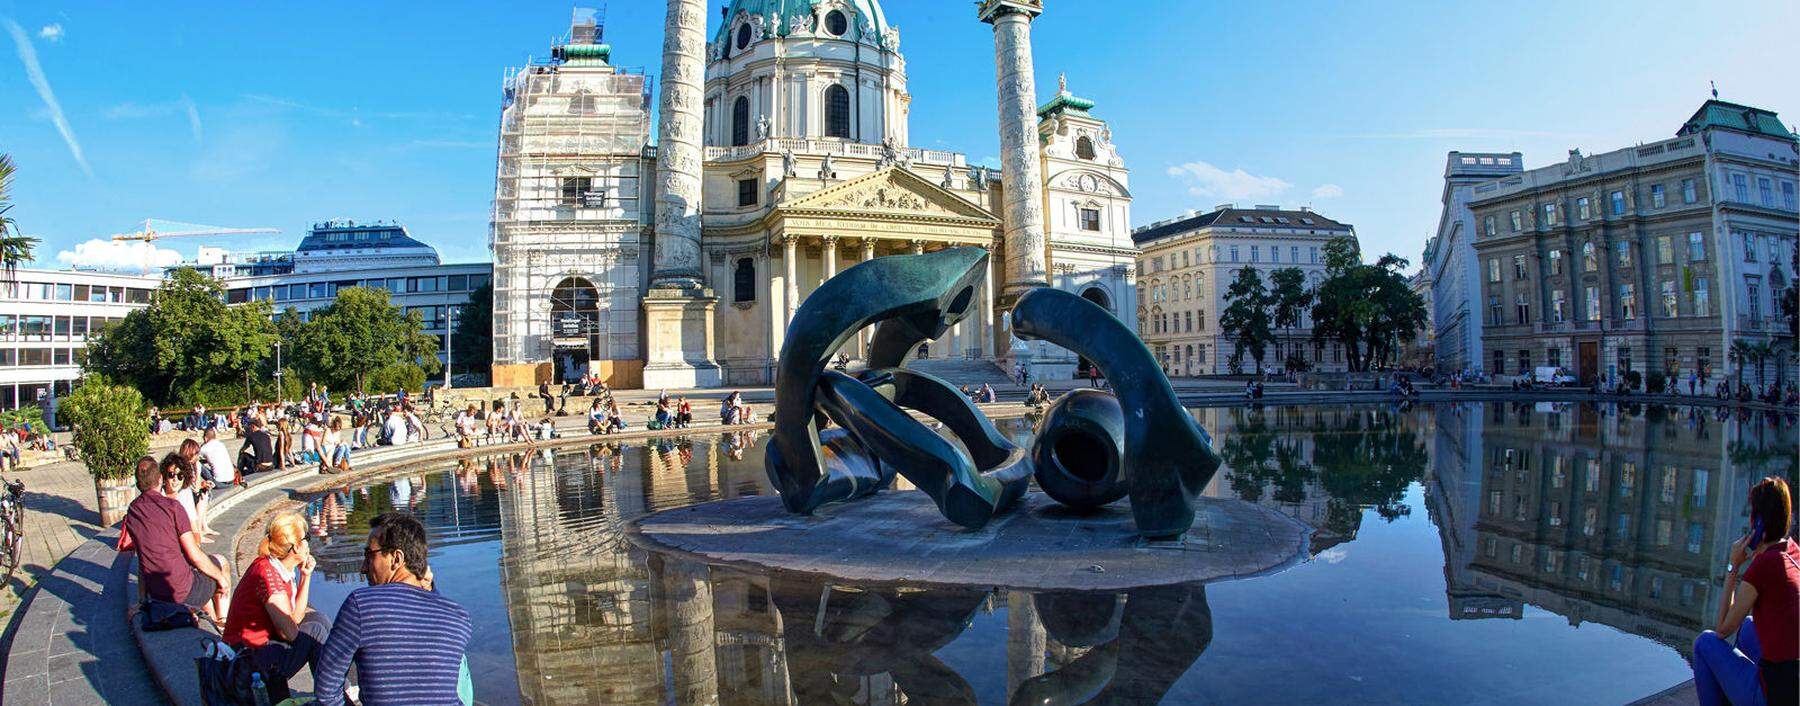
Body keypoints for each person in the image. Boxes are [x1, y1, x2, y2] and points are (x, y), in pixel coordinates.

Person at [313, 513, 473, 706]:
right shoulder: (458, 617)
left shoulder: (361, 605)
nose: (363, 568)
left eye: (369, 555)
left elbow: (326, 690)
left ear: (396, 559)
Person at [1692, 476, 1798, 706]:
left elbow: (1722, 630)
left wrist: (1733, 566)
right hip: (1794, 687)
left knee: (1705, 643)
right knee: (1749, 626)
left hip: (1774, 697)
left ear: (1757, 523)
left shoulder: (1764, 567)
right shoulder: (1793, 552)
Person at [220, 512, 326, 702]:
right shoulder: (269, 577)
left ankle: (335, 689)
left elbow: (295, 618)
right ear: (294, 547)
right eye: (306, 538)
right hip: (246, 661)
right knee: (316, 630)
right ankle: (332, 695)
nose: (309, 544)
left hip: (260, 649)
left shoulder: (277, 567)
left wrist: (306, 576)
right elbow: (290, 633)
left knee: (318, 619)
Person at [122, 454, 232, 623]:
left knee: (203, 577)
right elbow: (195, 554)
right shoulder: (173, 507)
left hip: (157, 593)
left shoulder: (133, 511)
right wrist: (220, 578)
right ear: (160, 479)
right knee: (221, 563)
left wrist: (142, 600)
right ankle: (224, 623)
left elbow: (142, 559)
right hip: (182, 591)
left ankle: (214, 621)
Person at [237, 418, 276, 485]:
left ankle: (238, 475)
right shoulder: (266, 435)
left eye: (249, 427)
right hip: (271, 465)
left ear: (253, 426)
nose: (248, 429)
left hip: (260, 466)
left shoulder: (251, 436)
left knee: (243, 455)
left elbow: (242, 450)